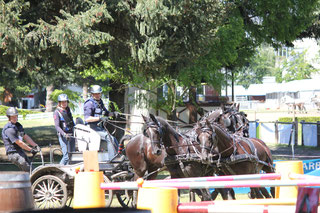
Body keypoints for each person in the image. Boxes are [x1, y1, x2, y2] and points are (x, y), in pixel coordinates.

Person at [83, 85, 119, 160]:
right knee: (110, 139)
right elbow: (87, 119)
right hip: (91, 128)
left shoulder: (100, 102)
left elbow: (106, 113)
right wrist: (100, 118)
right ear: (92, 94)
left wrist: (113, 113)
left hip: (98, 128)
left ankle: (118, 156)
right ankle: (112, 160)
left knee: (114, 139)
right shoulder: (89, 104)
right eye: (95, 94)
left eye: (99, 93)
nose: (97, 95)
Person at [2, 107, 40, 172]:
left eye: (16, 116)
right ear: (9, 117)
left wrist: (35, 145)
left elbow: (25, 136)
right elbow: (19, 142)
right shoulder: (9, 129)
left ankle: (29, 180)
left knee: (30, 169)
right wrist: (31, 150)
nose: (15, 118)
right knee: (29, 168)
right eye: (13, 117)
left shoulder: (17, 126)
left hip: (20, 151)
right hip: (13, 153)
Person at [53, 94, 75, 165]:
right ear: (59, 103)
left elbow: (72, 122)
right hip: (63, 135)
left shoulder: (68, 110)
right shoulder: (57, 112)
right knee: (66, 156)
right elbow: (57, 126)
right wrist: (64, 134)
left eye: (65, 102)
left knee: (72, 155)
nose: (64, 103)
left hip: (71, 134)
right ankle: (59, 169)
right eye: (62, 102)